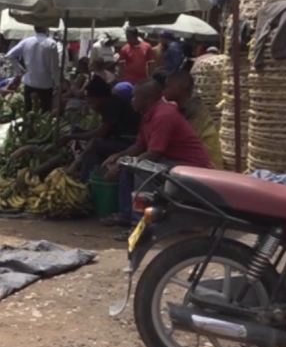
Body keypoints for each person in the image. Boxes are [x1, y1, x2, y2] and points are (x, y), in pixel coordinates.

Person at [103, 79, 215, 235]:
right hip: (172, 162)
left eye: (135, 97)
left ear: (147, 99)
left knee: (143, 172)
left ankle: (140, 225)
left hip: (189, 166)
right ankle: (125, 215)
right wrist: (119, 157)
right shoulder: (149, 114)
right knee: (128, 167)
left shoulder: (163, 115)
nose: (131, 101)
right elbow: (139, 146)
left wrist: (121, 165)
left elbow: (154, 153)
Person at [60, 76, 141, 183]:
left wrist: (71, 137)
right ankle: (82, 171)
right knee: (89, 140)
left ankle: (84, 181)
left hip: (129, 143)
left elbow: (100, 133)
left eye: (92, 103)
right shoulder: (110, 102)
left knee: (95, 146)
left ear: (100, 98)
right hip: (119, 139)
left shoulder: (111, 104)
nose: (91, 106)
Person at [162, 71, 223, 170]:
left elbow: (186, 141)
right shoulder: (183, 108)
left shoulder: (195, 110)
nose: (164, 91)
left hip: (208, 165)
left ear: (180, 87)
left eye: (167, 86)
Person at [6, 26, 60, 113]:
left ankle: (28, 126)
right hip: (45, 84)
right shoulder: (51, 43)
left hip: (29, 82)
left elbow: (10, 55)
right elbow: (54, 67)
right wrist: (57, 83)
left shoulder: (26, 41)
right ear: (46, 29)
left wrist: (20, 70)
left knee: (28, 112)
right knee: (44, 114)